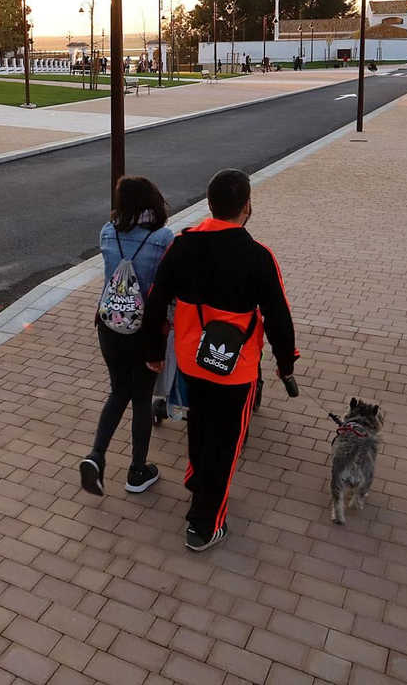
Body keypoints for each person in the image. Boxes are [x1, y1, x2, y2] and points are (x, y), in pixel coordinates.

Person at [142, 169, 298, 551]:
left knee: (200, 420)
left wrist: (152, 352)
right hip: (236, 367)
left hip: (193, 359)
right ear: (247, 207)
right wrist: (285, 361)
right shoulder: (259, 256)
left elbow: (157, 297)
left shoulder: (183, 244)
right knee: (227, 442)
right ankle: (204, 524)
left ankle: (197, 478)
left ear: (209, 204)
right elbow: (278, 315)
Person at [81, 176, 175, 498]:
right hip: (144, 330)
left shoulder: (108, 232)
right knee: (141, 398)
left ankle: (96, 456)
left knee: (118, 390)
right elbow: (166, 292)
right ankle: (137, 471)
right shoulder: (163, 237)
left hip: (110, 324)